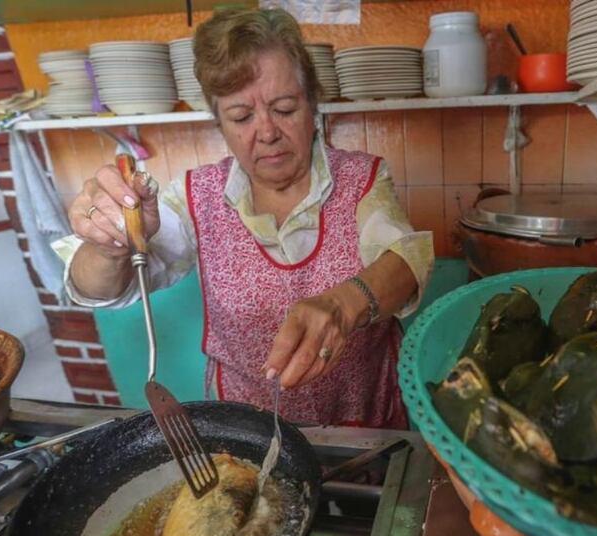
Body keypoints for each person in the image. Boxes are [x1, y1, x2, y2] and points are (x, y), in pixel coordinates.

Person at [53, 8, 434, 429]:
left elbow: (406, 262)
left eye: (284, 109)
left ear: (313, 105)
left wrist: (344, 305)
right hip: (247, 427)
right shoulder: (197, 195)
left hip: (363, 423)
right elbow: (99, 287)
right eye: (241, 117)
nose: (267, 132)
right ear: (219, 124)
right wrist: (108, 246)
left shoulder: (362, 177)